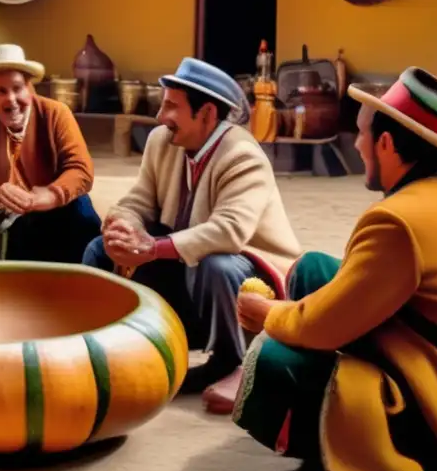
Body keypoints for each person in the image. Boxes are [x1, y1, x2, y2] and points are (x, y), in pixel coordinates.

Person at [233, 67, 437, 471]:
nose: (355, 143)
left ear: (387, 145)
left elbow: (318, 324)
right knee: (313, 269)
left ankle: (353, 459)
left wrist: (267, 313)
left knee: (273, 362)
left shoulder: (398, 222)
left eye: (363, 133)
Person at [83, 58, 300, 414]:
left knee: (216, 264)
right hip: (187, 268)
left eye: (172, 106)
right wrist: (124, 227)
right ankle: (111, 348)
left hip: (251, 285)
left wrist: (152, 248)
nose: (161, 116)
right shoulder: (162, 141)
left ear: (207, 113)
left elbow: (229, 231)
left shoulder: (243, 156)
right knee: (99, 249)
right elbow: (139, 200)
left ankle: (233, 362)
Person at [0, 44, 101, 264]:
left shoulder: (56, 113)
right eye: (1, 91)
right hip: (0, 209)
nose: (11, 99)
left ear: (29, 88)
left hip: (50, 208)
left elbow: (81, 170)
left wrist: (48, 195)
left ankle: (85, 279)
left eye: (17, 88)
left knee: (81, 208)